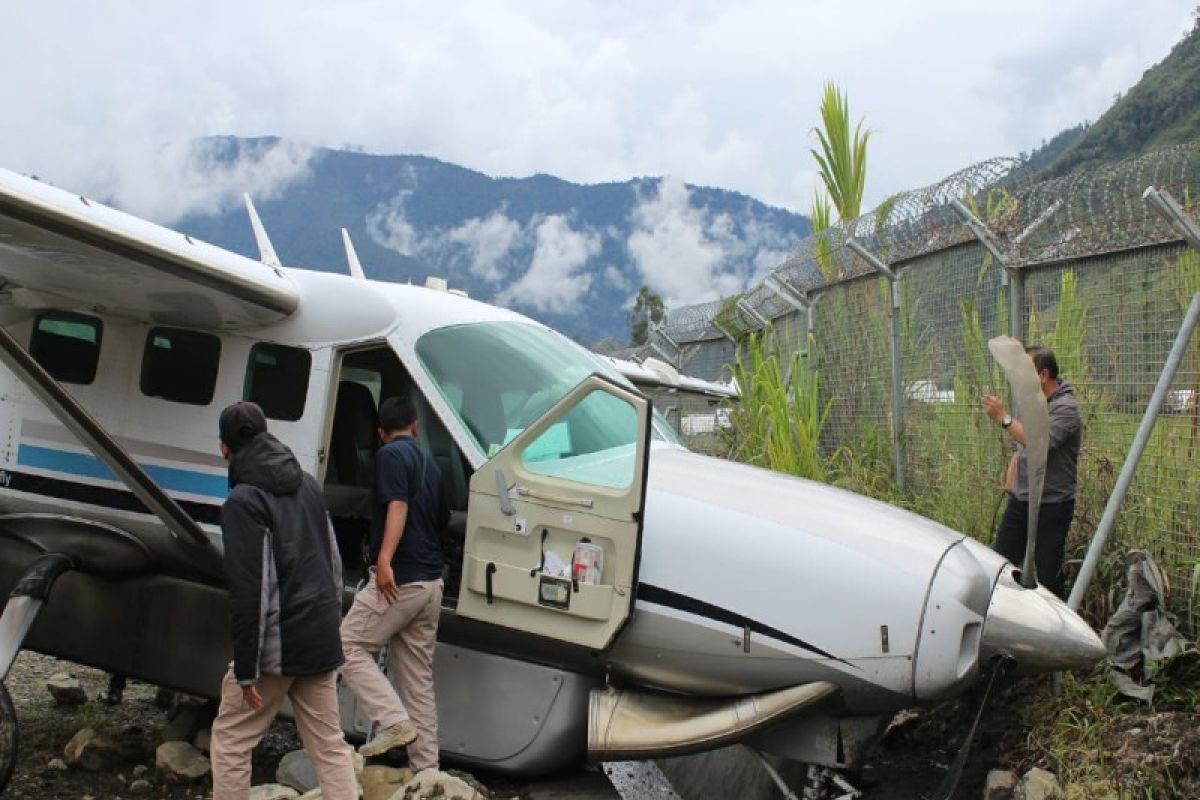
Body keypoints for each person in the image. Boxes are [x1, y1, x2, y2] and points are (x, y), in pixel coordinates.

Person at [209, 402, 357, 800]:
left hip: (277, 647)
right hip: (320, 638)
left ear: (225, 448)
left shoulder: (243, 501)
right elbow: (334, 562)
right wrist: (332, 629)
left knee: (231, 740)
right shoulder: (307, 483)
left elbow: (250, 590)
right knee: (329, 746)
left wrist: (246, 668)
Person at [340, 394, 449, 773]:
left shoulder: (389, 456)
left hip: (399, 580)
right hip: (431, 584)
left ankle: (393, 721)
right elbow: (440, 521)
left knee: (349, 645)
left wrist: (384, 559)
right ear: (415, 426)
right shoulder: (431, 466)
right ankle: (428, 774)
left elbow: (397, 506)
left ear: (382, 433)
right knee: (417, 682)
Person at [983, 346, 1083, 598]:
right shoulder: (1030, 402)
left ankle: (1057, 626)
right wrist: (1012, 477)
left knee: (1048, 572)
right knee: (1001, 562)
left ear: (1043, 375)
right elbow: (1022, 447)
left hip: (1053, 503)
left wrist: (1003, 418)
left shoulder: (1067, 409)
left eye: (1026, 370)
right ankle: (1006, 614)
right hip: (1022, 499)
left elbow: (1038, 442)